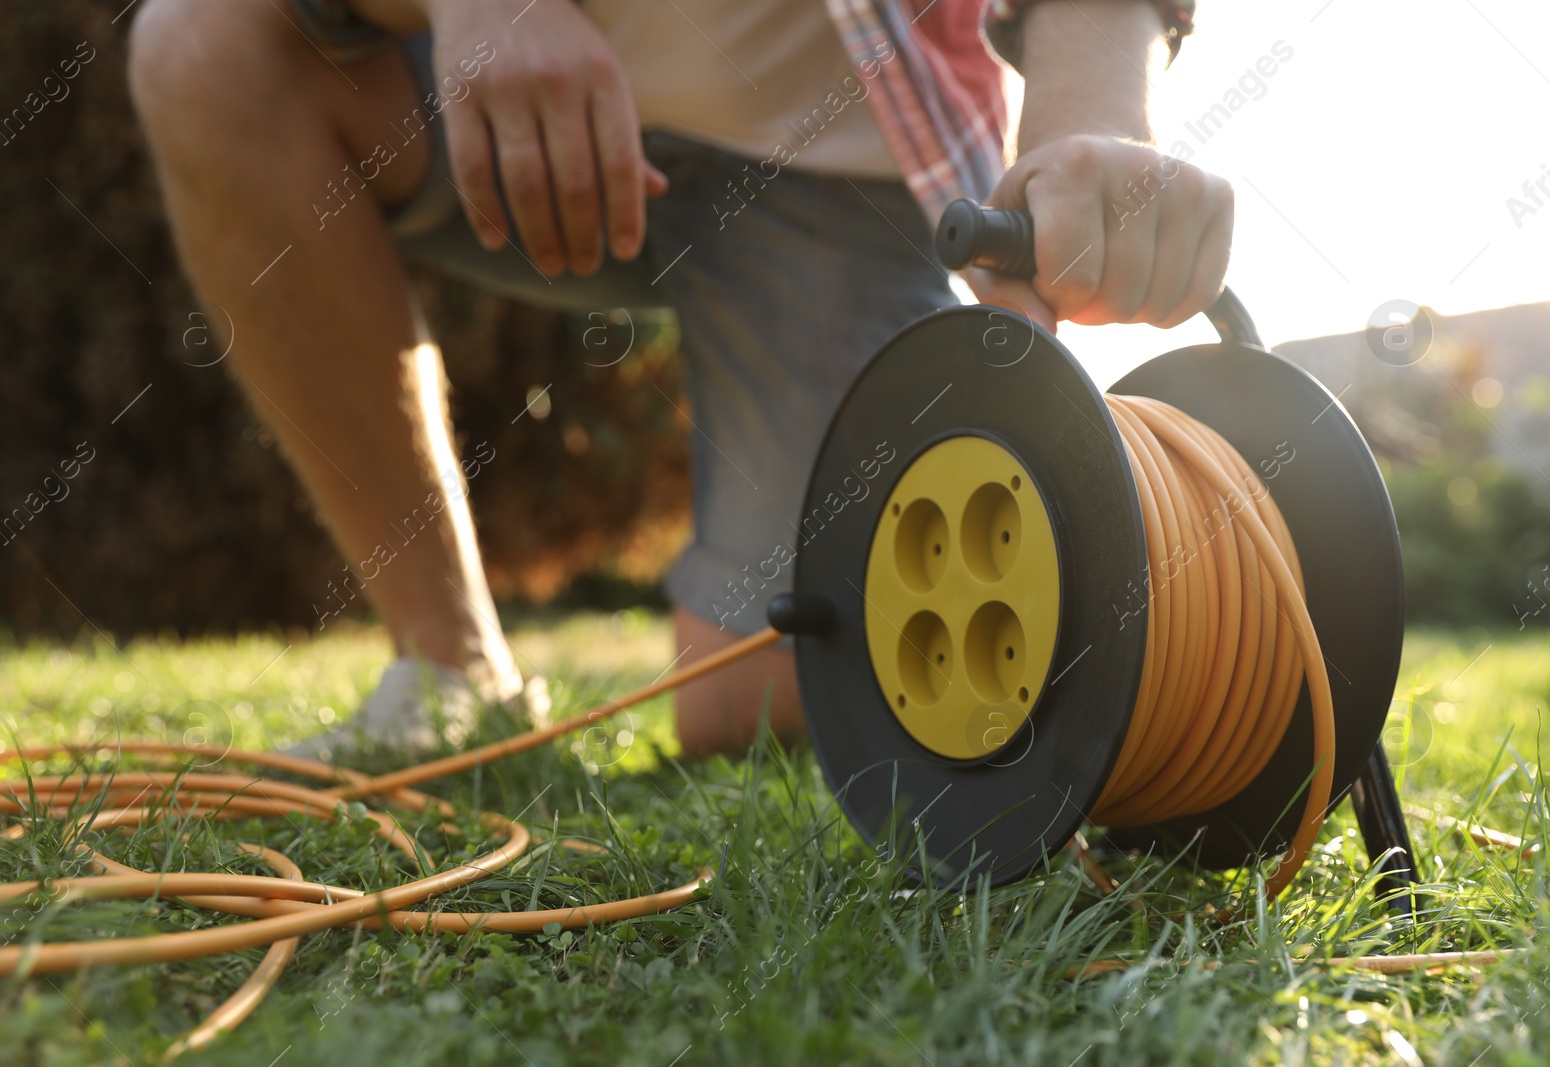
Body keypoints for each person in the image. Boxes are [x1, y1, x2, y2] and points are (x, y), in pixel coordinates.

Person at [126, 0, 1232, 759]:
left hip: (835, 168)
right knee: (204, 40)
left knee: (760, 704)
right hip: (481, 79)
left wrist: (1092, 126)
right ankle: (453, 668)